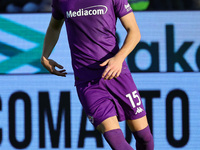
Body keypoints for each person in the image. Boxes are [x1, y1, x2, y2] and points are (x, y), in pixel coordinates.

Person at [41, 0, 154, 149]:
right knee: (117, 142)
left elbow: (134, 32)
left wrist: (119, 59)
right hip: (87, 82)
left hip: (117, 73)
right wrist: (45, 56)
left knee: (144, 137)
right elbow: (54, 27)